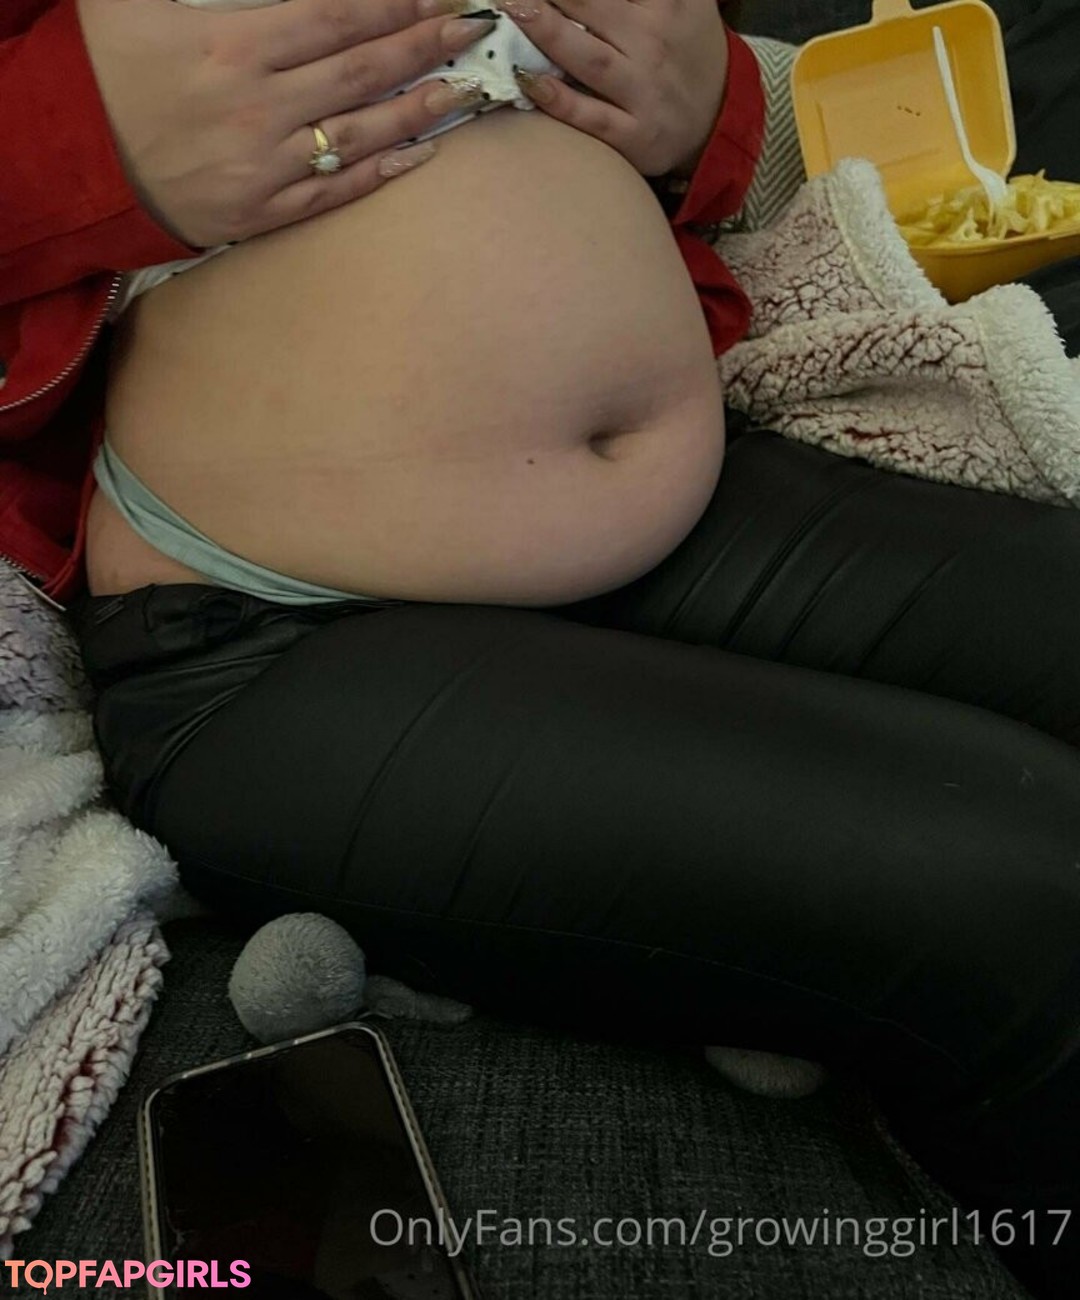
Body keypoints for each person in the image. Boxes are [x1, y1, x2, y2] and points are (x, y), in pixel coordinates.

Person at [3, 1, 1080, 1297]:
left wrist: (703, 108)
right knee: (1025, 903)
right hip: (268, 632)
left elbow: (620, 100)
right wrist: (81, 140)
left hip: (682, 506)